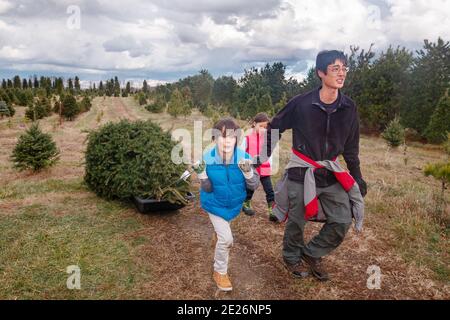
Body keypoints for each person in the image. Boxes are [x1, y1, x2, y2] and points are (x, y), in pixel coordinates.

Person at [254, 50, 367, 281]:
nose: (341, 73)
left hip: (330, 173)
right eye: (335, 68)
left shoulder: (349, 107)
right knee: (297, 219)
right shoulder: (301, 104)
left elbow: (351, 148)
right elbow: (275, 126)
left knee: (342, 219)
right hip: (301, 172)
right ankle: (291, 256)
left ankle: (311, 252)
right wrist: (263, 155)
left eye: (344, 68)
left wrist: (357, 176)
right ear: (320, 72)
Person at [193, 117, 260, 291]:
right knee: (227, 239)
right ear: (215, 139)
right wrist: (202, 175)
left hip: (233, 206)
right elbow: (207, 189)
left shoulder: (244, 158)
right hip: (214, 204)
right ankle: (220, 271)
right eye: (222, 137)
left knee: (223, 233)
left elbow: (253, 185)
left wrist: (247, 172)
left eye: (231, 137)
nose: (227, 141)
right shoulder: (207, 159)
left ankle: (218, 235)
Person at [240, 112, 276, 222]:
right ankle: (246, 203)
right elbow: (241, 153)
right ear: (254, 124)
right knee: (250, 188)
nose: (263, 129)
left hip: (264, 168)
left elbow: (270, 154)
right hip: (252, 169)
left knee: (269, 190)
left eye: (265, 127)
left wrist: (270, 164)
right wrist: (246, 165)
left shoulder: (267, 140)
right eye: (261, 126)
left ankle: (273, 210)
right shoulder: (247, 138)